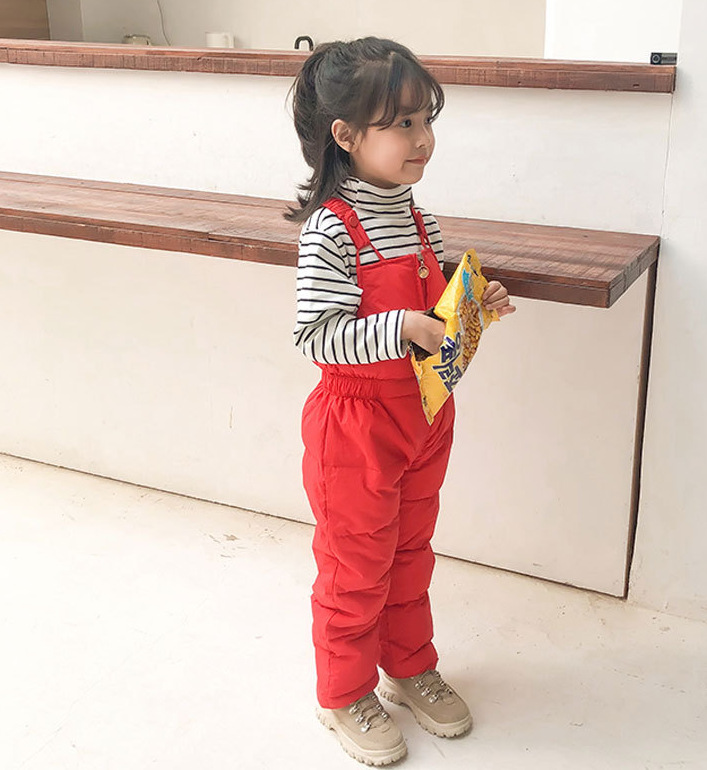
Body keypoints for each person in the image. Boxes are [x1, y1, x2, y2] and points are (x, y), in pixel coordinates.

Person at [286, 37, 515, 766]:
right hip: (355, 429)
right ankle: (343, 691)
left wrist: (473, 300)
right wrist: (401, 327)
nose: (423, 139)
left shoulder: (418, 218)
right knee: (355, 563)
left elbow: (436, 309)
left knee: (410, 554)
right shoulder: (331, 228)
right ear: (346, 136)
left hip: (423, 414)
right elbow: (316, 336)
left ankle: (408, 665)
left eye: (426, 120)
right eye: (403, 124)